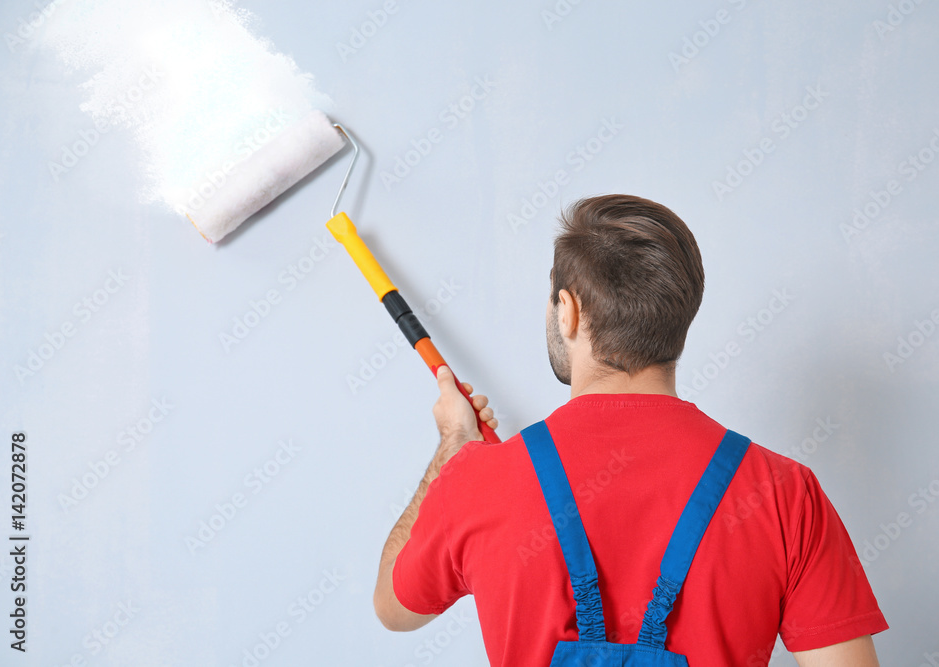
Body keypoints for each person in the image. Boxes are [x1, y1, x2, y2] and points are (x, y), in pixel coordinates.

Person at [373, 194, 888, 665]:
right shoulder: (784, 494)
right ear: (678, 319)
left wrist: (451, 450)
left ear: (568, 311)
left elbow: (394, 609)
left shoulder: (477, 480)